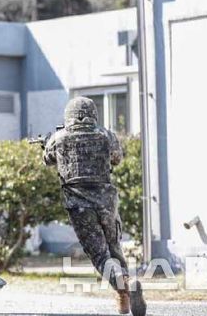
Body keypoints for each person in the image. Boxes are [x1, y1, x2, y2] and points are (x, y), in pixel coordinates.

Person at [43, 97, 146, 316]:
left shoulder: (59, 137)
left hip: (80, 206)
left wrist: (47, 143)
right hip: (107, 202)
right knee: (113, 246)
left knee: (99, 255)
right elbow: (117, 159)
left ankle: (123, 285)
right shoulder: (106, 135)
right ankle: (124, 297)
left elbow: (48, 159)